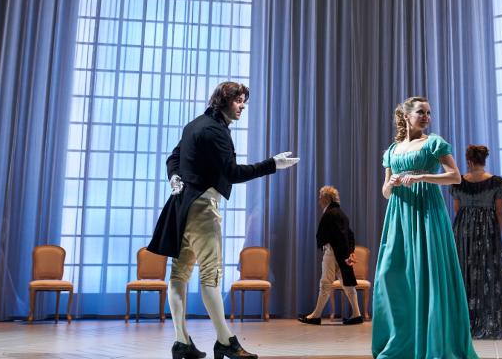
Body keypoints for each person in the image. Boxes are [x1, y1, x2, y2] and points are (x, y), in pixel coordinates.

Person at [147, 82, 299, 359]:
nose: (242, 106)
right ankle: (225, 341)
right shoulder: (216, 131)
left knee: (179, 275)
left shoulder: (194, 125)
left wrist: (174, 176)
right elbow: (232, 173)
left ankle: (181, 342)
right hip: (202, 209)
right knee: (211, 275)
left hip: (181, 207)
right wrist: (272, 165)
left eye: (244, 101)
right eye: (238, 101)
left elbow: (174, 157)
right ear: (224, 100)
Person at [372, 96, 477, 359]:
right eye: (421, 112)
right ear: (406, 116)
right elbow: (385, 192)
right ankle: (401, 340)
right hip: (399, 216)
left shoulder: (433, 143)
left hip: (427, 213)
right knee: (390, 274)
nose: (427, 117)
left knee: (427, 274)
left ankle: (434, 342)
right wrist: (391, 183)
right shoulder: (392, 150)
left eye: (429, 113)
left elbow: (455, 176)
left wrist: (421, 177)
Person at [451, 145, 502, 339]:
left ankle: (464, 322)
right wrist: (497, 232)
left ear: (469, 161)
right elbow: (500, 212)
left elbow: (457, 210)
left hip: (463, 231)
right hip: (488, 230)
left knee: (465, 270)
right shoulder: (497, 183)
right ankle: (491, 320)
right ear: (484, 160)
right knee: (489, 272)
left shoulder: (458, 182)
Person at [298, 185, 363, 325]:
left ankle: (315, 316)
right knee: (347, 284)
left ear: (327, 198)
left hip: (333, 252)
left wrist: (344, 254)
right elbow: (349, 235)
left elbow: (335, 236)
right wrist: (350, 253)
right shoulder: (341, 214)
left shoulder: (330, 213)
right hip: (341, 253)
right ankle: (357, 314)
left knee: (325, 283)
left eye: (321, 197)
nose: (319, 200)